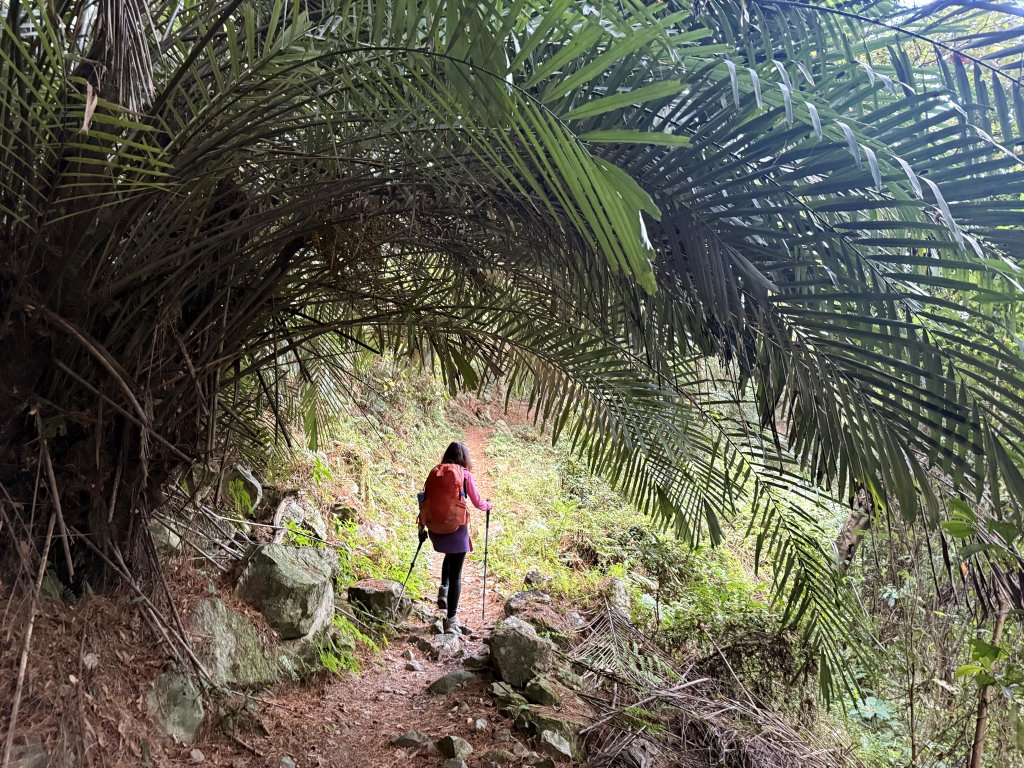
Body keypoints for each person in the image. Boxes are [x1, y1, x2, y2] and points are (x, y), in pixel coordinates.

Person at [418, 441, 491, 635]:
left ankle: (443, 588)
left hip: (435, 529)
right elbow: (477, 502)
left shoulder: (436, 472)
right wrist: (488, 506)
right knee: (457, 572)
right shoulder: (464, 475)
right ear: (464, 457)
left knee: (449, 556)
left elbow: (422, 498)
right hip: (456, 528)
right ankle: (451, 621)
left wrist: (421, 527)